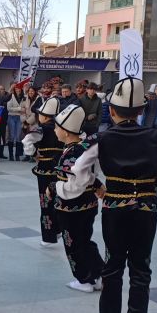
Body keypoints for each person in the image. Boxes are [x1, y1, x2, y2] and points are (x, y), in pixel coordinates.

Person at [62, 77, 157, 313]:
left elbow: (75, 169)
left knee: (113, 266)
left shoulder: (102, 137)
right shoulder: (156, 137)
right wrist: (153, 181)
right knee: (141, 268)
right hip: (146, 208)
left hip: (114, 209)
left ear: (111, 110)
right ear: (142, 110)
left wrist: (95, 184)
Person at [48, 105, 104, 293]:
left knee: (72, 243)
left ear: (64, 131)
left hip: (71, 207)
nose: (55, 131)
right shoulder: (84, 147)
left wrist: (53, 187)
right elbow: (88, 176)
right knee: (85, 240)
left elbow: (73, 186)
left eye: (56, 128)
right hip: (88, 204)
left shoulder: (71, 154)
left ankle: (83, 279)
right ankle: (98, 274)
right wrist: (96, 184)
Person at [22, 97, 64, 247]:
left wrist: (33, 153)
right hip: (60, 168)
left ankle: (48, 237)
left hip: (45, 169)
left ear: (45, 116)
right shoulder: (63, 128)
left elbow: (27, 140)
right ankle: (58, 230)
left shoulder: (43, 128)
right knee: (59, 198)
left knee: (45, 202)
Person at [20, 86, 41, 162]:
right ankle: (27, 155)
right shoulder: (26, 98)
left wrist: (28, 122)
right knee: (26, 139)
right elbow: (22, 110)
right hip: (26, 121)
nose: (30, 92)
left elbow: (35, 113)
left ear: (35, 91)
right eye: (29, 91)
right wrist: (24, 120)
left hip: (34, 122)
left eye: (32, 91)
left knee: (33, 139)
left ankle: (34, 155)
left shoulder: (38, 99)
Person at [6, 83, 25, 161]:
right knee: (11, 136)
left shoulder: (24, 97)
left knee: (18, 137)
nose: (18, 90)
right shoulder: (11, 96)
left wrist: (20, 109)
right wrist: (19, 109)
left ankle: (17, 155)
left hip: (20, 118)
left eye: (19, 89)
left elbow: (25, 107)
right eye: (16, 89)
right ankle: (11, 155)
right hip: (12, 117)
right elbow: (9, 108)